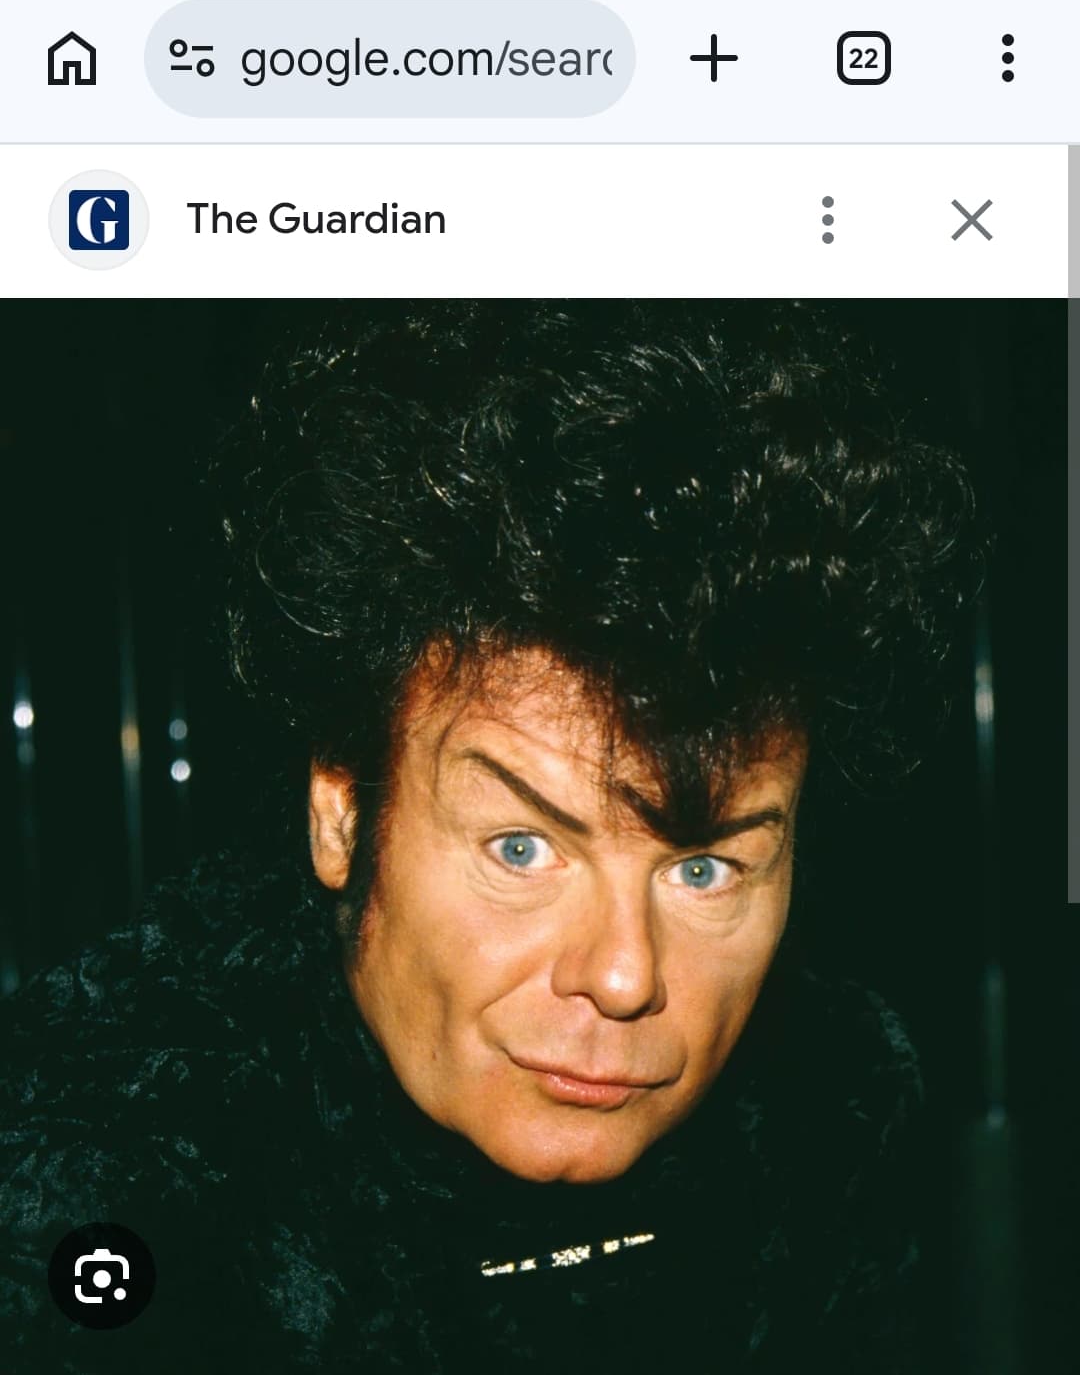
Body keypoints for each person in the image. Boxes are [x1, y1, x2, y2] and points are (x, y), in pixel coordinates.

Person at [0, 301, 977, 1373]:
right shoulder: (99, 1164)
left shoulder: (834, 1107)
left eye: (704, 869)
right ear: (342, 809)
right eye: (522, 848)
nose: (623, 976)